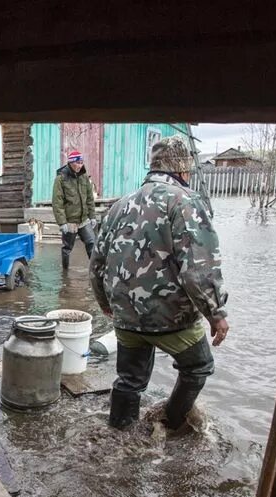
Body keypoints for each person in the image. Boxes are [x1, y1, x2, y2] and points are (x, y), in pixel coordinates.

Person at [89, 136, 229, 432]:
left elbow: (97, 264)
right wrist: (215, 312)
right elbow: (198, 269)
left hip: (125, 314)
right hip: (171, 318)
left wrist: (106, 304)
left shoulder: (119, 206)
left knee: (129, 380)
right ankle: (171, 423)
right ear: (183, 169)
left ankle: (120, 436)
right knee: (197, 367)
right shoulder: (186, 201)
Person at [52, 150, 97, 270]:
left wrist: (92, 216)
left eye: (82, 162)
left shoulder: (84, 177)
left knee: (92, 243)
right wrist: (62, 223)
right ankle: (65, 271)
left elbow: (90, 199)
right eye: (78, 162)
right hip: (70, 222)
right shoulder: (61, 179)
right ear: (71, 163)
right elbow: (57, 203)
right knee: (67, 248)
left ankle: (95, 271)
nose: (80, 165)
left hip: (84, 220)